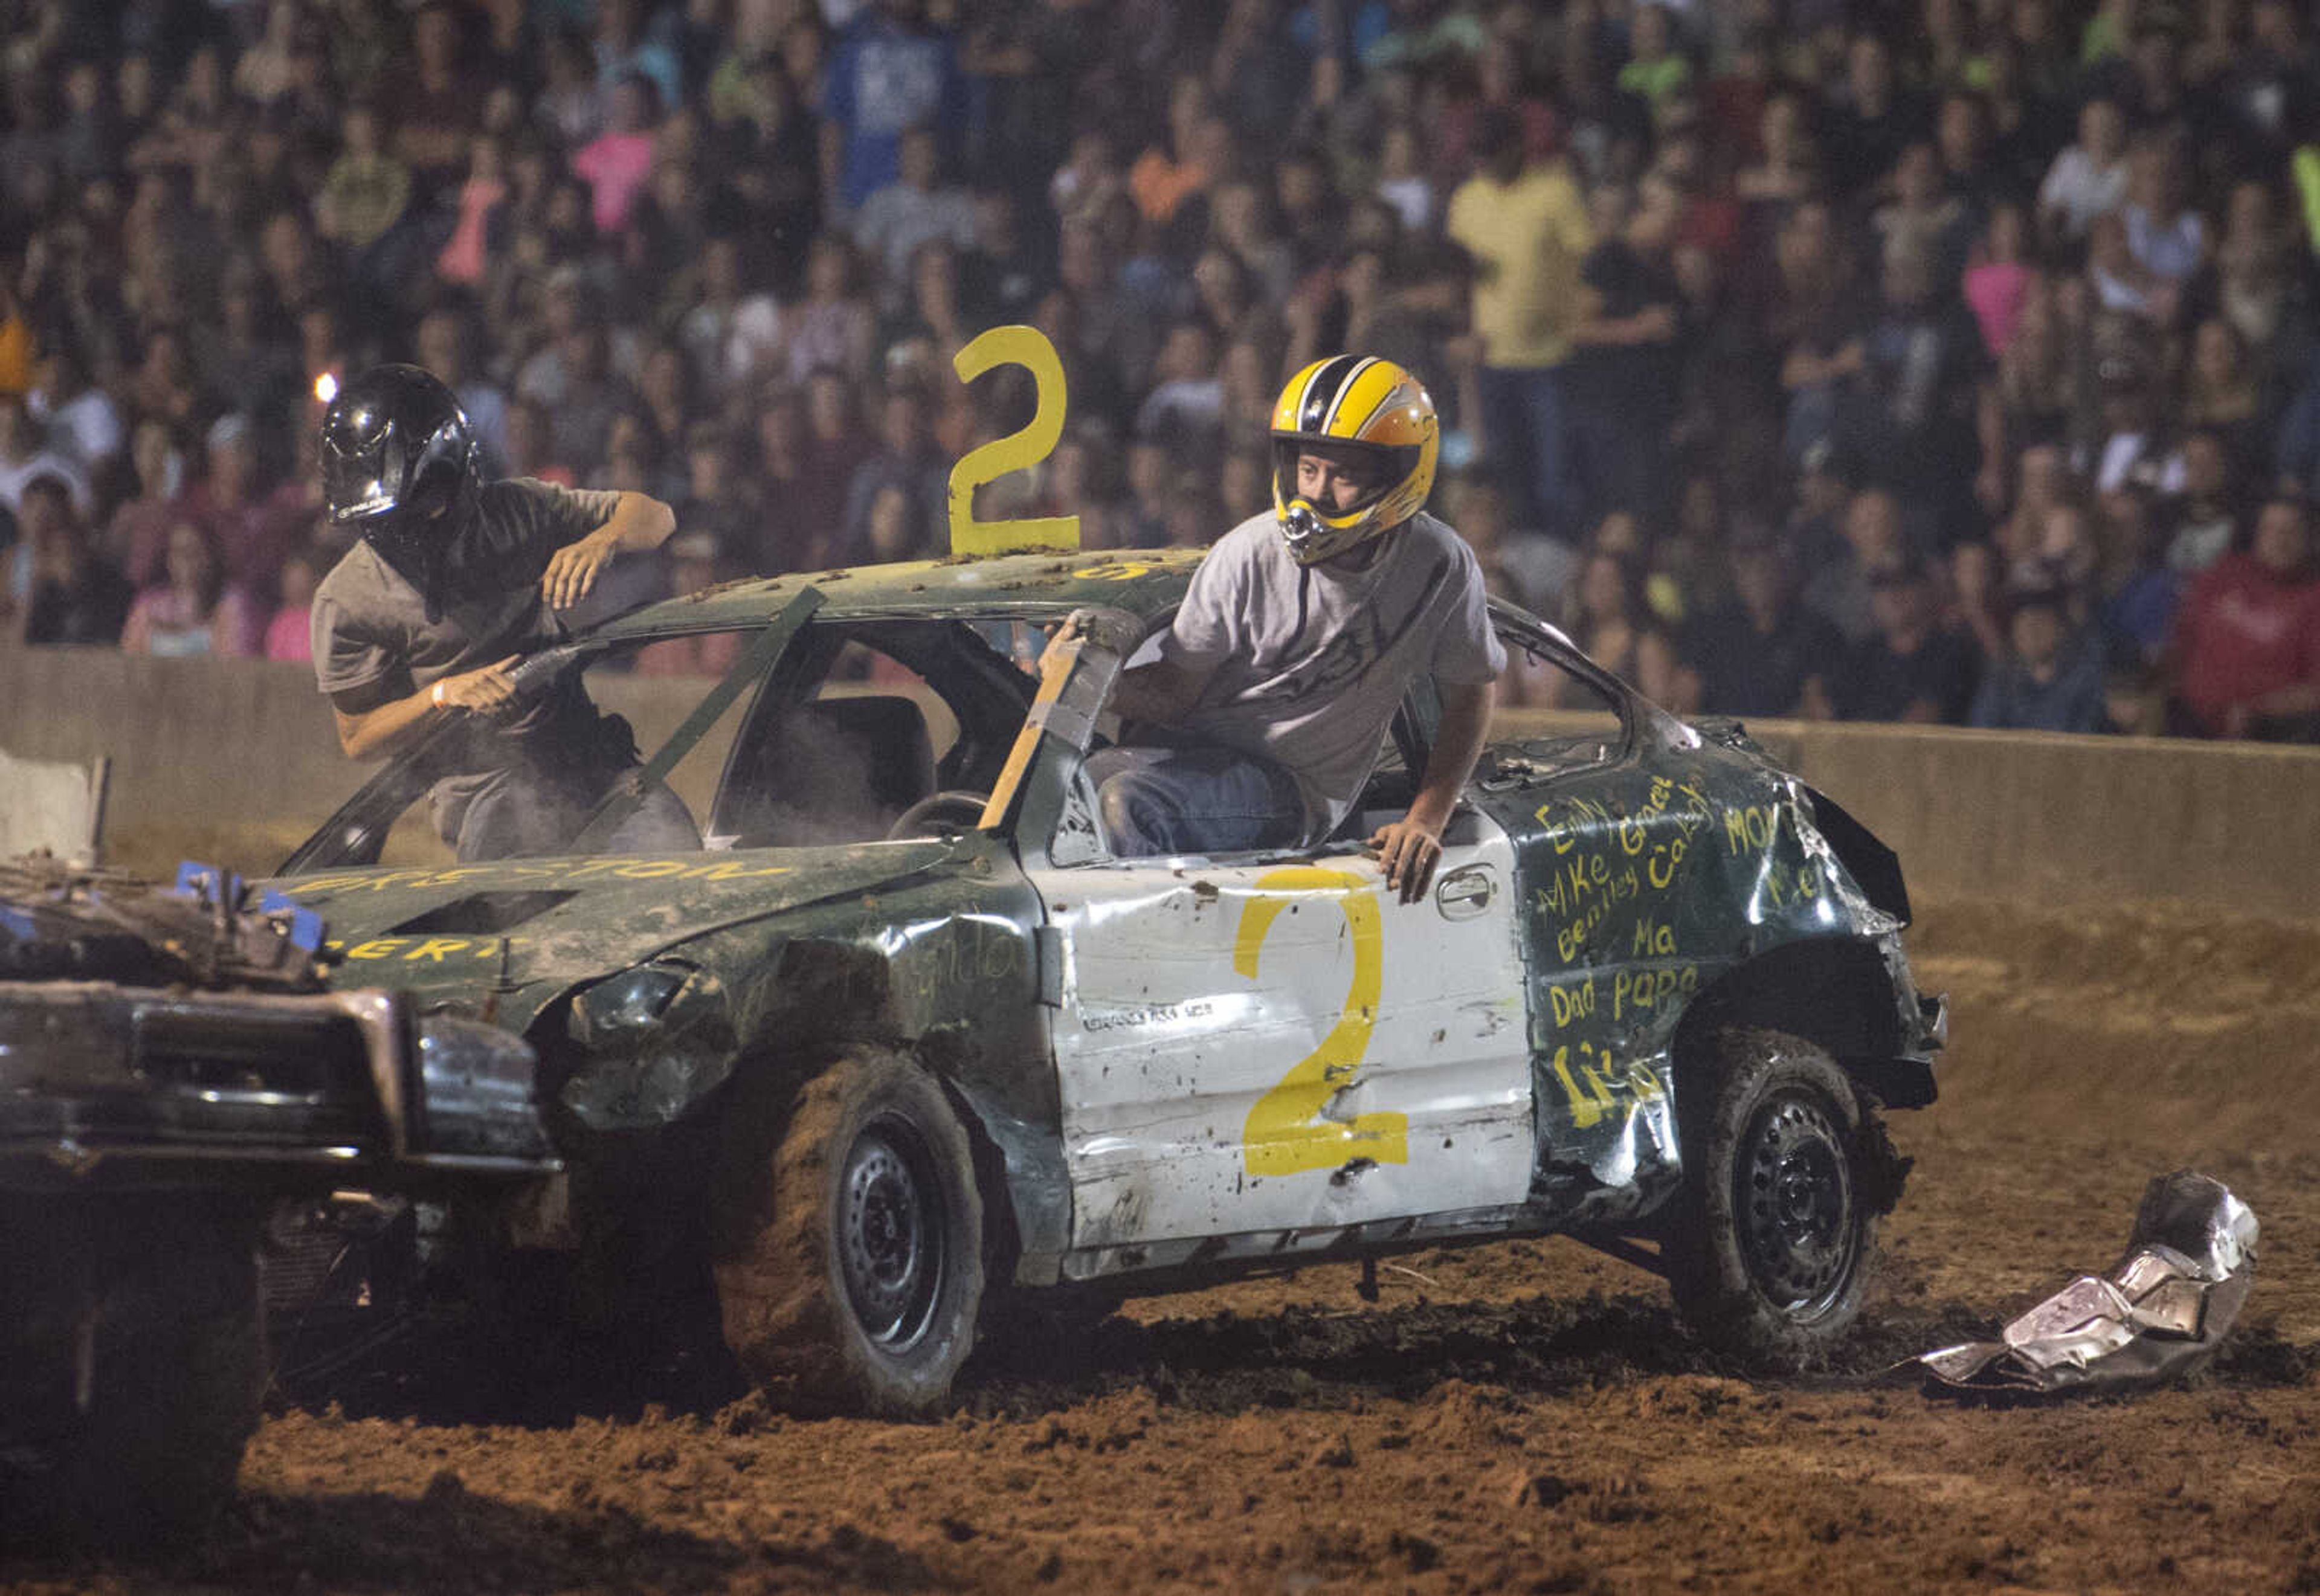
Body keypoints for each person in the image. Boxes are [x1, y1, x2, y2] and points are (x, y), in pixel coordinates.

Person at [1045, 356, 1506, 904]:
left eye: (1344, 476)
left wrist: (1427, 820)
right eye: (1309, 469)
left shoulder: (1437, 563)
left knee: (1130, 803)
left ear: (1401, 476)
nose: (1316, 491)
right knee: (1066, 793)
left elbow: (1472, 691)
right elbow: (1174, 694)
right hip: (1194, 764)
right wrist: (1085, 677)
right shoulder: (1245, 554)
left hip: (1297, 790)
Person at [310, 364, 698, 861]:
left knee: (677, 857)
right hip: (486, 792)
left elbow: (658, 518)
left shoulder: (517, 511)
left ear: (455, 473)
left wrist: (603, 539)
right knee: (516, 905)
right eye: (381, 519)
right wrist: (442, 696)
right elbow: (360, 737)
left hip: (590, 759)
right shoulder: (346, 599)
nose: (401, 531)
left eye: (418, 507)